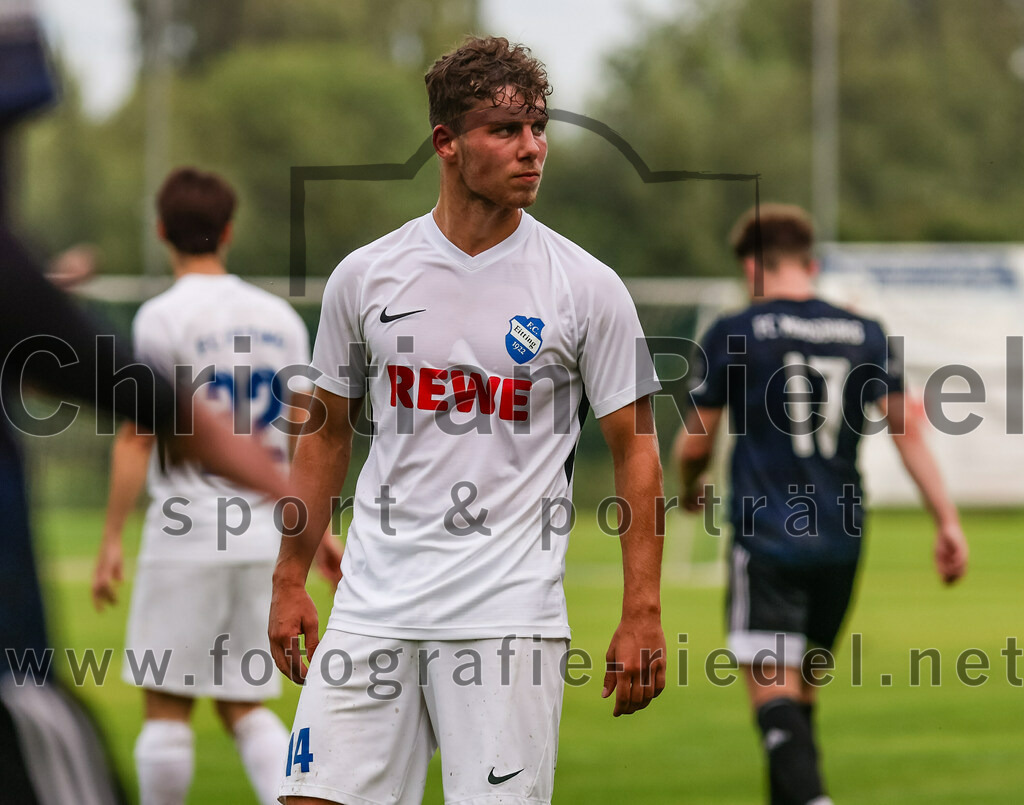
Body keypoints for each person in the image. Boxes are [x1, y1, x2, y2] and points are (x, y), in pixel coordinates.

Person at [269, 35, 667, 805]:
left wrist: (641, 610)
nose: (532, 147)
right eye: (506, 129)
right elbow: (325, 434)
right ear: (446, 142)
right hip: (372, 605)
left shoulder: (586, 286)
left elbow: (636, 451)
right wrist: (289, 577)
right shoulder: (366, 275)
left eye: (539, 127)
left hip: (506, 617)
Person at [674, 203, 969, 805]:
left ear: (751, 267)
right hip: (841, 537)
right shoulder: (866, 332)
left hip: (768, 535)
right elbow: (908, 429)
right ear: (810, 264)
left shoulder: (736, 330)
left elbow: (695, 442)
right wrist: (946, 520)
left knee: (772, 696)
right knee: (802, 695)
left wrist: (689, 486)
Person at [90, 167, 341, 805]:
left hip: (187, 532)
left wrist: (112, 536)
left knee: (166, 707)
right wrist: (318, 533)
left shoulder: (161, 317)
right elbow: (303, 441)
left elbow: (140, 435)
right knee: (244, 705)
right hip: (262, 539)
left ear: (161, 231)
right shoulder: (281, 319)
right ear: (228, 231)